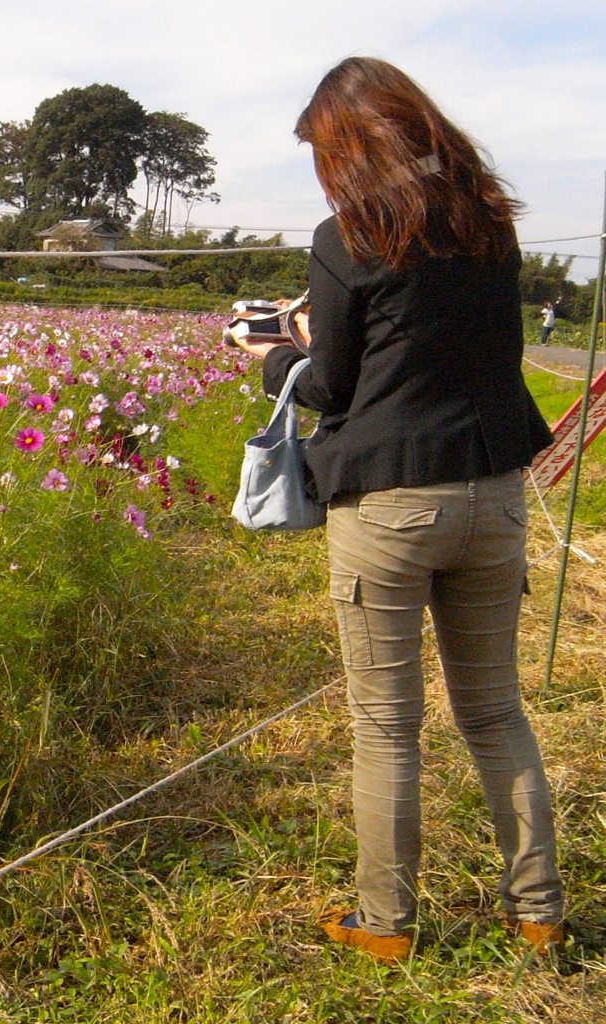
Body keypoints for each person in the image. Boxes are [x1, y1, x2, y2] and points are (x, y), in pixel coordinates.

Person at [232, 57, 564, 963]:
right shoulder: (490, 226)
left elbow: (333, 385)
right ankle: (539, 913)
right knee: (496, 712)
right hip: (494, 495)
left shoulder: (347, 239)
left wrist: (273, 350)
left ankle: (387, 928)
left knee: (385, 725)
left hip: (388, 504)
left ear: (351, 149)